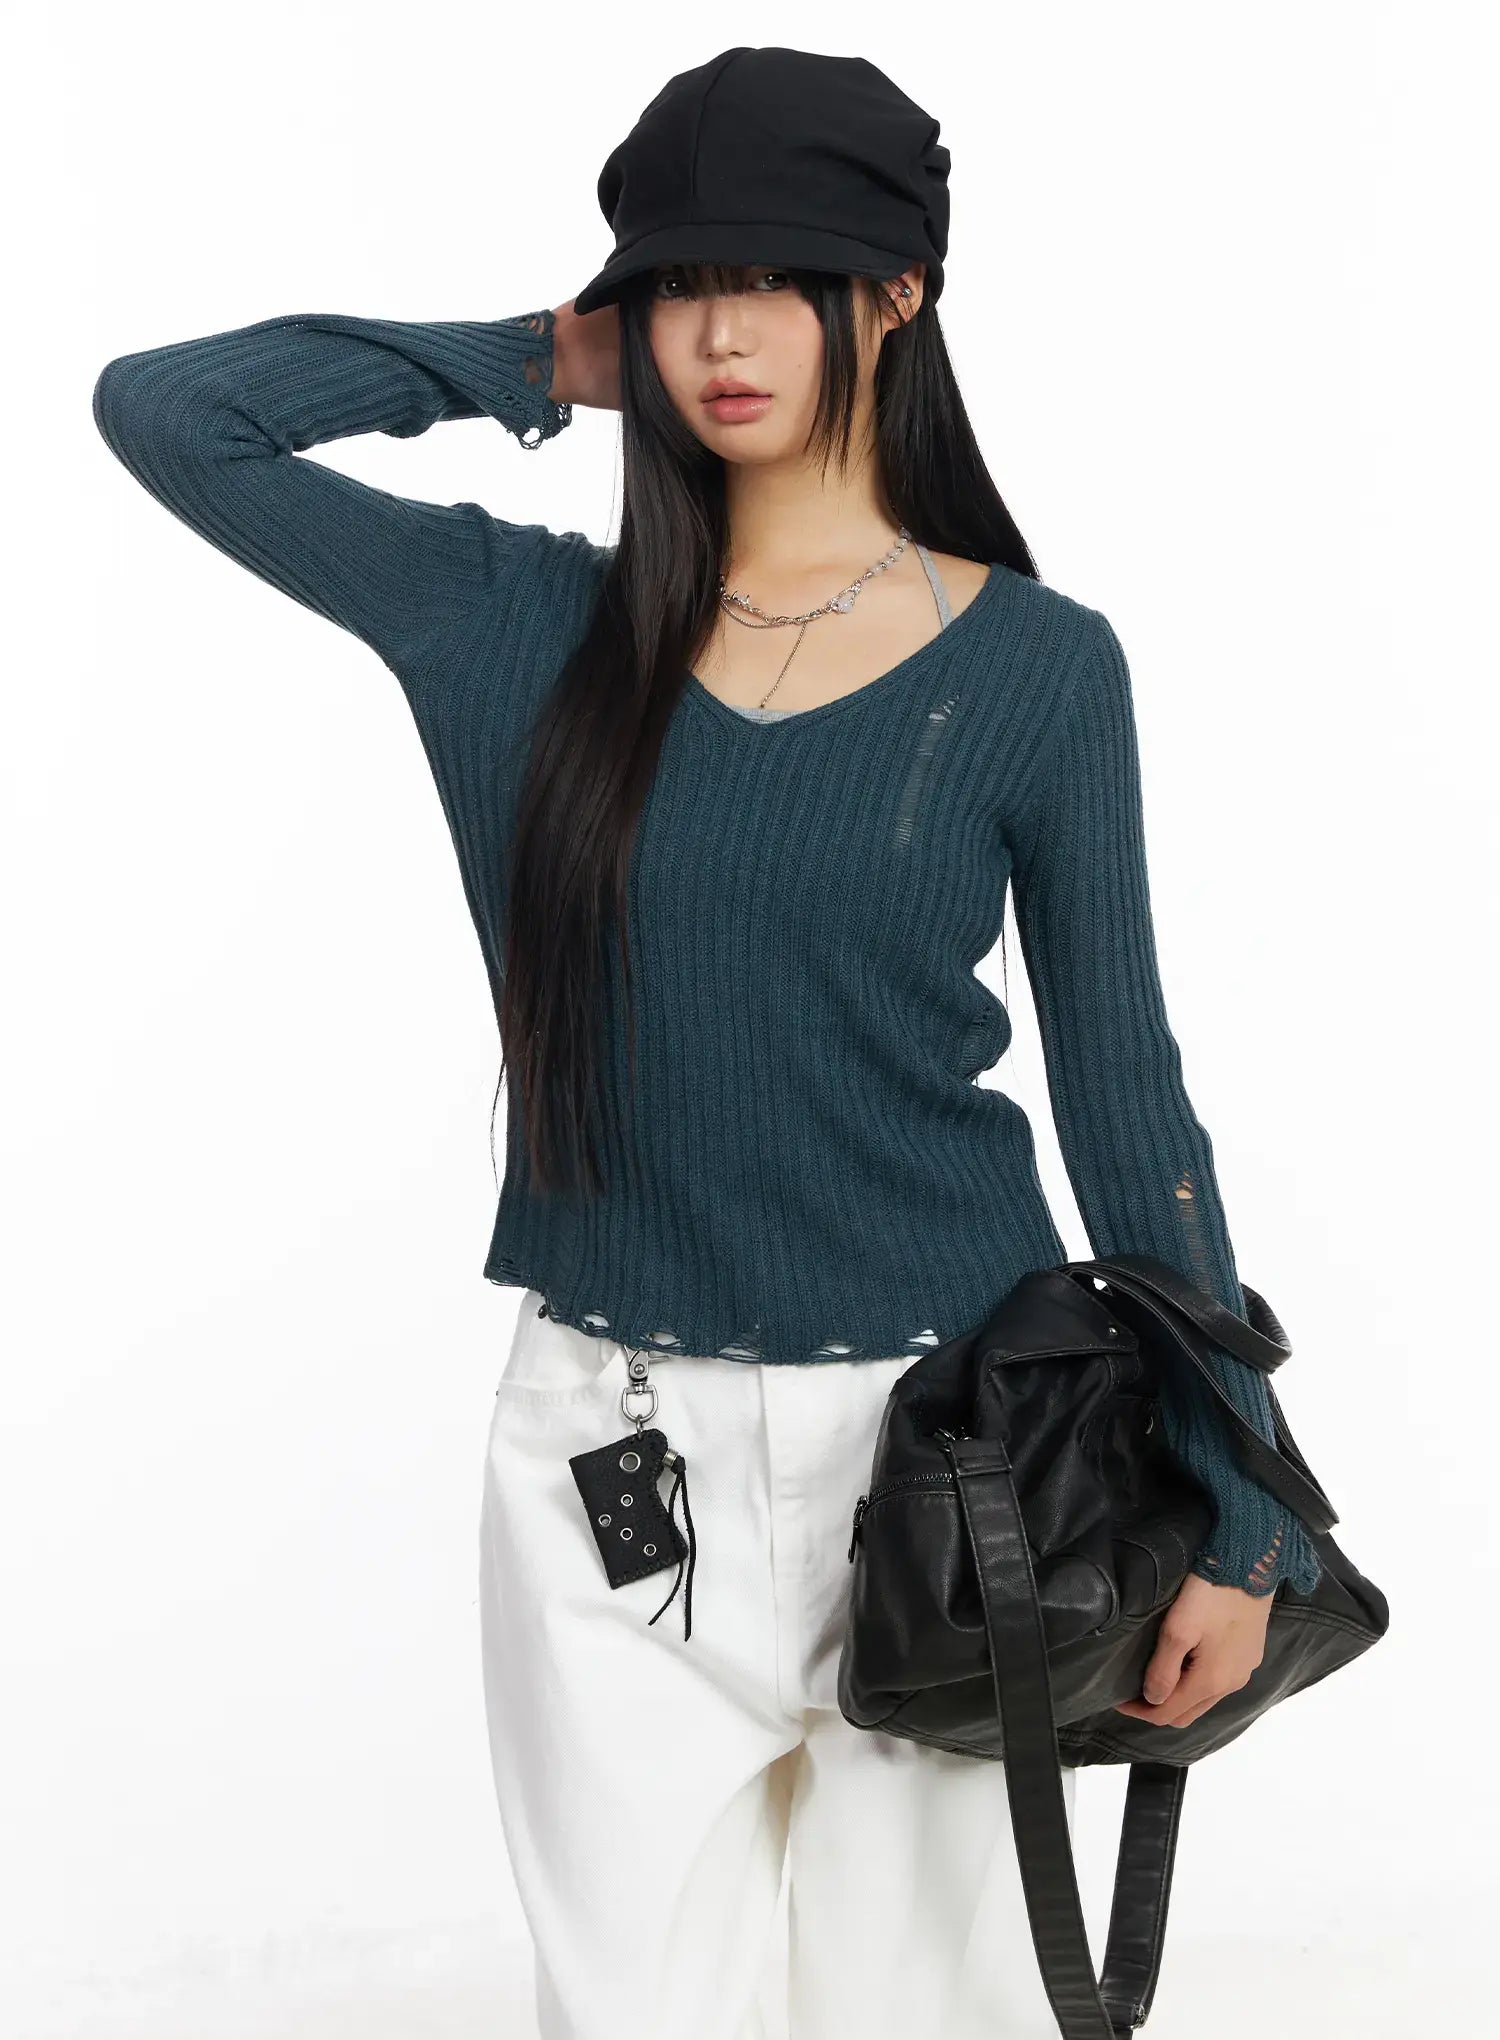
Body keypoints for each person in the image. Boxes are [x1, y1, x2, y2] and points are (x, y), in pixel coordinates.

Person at [91, 42, 1322, 2040]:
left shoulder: (1035, 669)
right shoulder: (512, 626)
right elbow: (170, 413)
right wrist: (541, 356)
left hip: (959, 1454)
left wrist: (1246, 1513)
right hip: (608, 1439)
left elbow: (1131, 1108)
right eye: (680, 286)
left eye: (776, 279)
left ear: (897, 294)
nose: (722, 335)